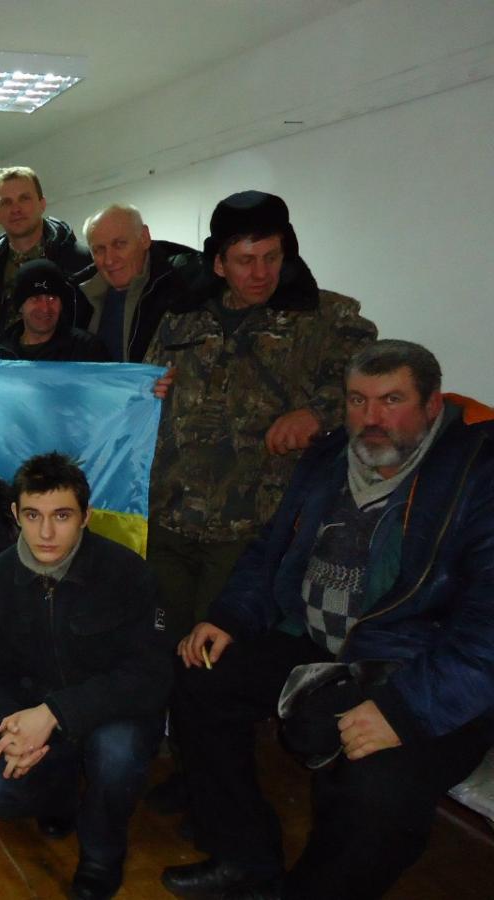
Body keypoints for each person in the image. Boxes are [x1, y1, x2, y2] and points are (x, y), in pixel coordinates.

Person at [161, 341, 494, 900]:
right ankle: (244, 856)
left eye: (392, 400)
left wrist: (404, 711)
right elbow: (272, 549)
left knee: (377, 790)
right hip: (320, 643)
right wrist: (231, 617)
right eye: (358, 400)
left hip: (422, 670)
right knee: (201, 674)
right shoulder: (331, 455)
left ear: (433, 404)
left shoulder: (477, 474)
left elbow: (486, 632)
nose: (371, 418)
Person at [144, 190, 378, 644]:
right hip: (169, 521)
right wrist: (148, 391)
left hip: (252, 531)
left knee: (217, 657)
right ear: (218, 264)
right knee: (161, 646)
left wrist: (318, 413)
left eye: (272, 257)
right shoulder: (181, 320)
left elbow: (373, 379)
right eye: (245, 260)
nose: (261, 273)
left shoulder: (326, 318)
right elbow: (147, 391)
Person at [0, 452, 170, 900]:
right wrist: (5, 731)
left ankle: (101, 855)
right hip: (36, 713)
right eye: (32, 516)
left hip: (113, 713)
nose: (46, 533)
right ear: (15, 514)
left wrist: (56, 712)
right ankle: (60, 797)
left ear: (85, 516)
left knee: (116, 754)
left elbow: (150, 674)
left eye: (61, 516)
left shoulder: (127, 573)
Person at [0, 166, 93, 346]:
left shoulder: (81, 262)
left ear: (42, 204)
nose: (16, 209)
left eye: (24, 198)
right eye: (6, 202)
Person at [75, 204, 196, 362]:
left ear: (144, 238)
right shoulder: (76, 297)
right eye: (99, 250)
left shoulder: (184, 284)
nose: (109, 260)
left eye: (119, 244)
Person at [0, 259, 110, 361]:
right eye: (35, 298)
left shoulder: (86, 349)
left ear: (61, 305)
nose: (45, 308)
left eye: (52, 298)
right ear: (20, 306)